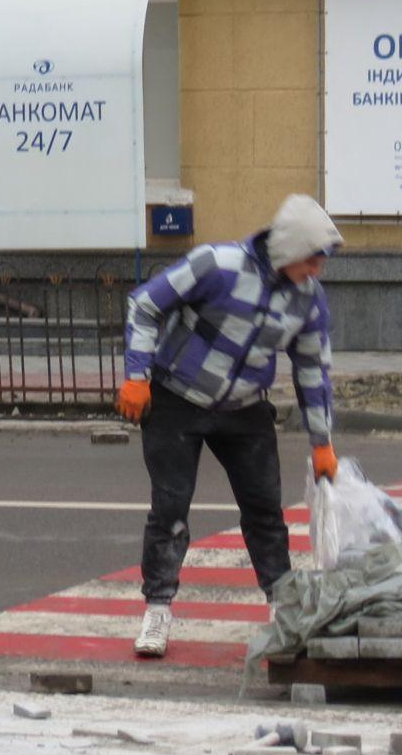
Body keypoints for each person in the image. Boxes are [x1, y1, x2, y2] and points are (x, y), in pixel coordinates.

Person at [117, 193, 343, 659]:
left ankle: (282, 607)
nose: (316, 272)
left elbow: (313, 369)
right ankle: (157, 610)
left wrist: (323, 442)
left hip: (244, 410)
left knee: (265, 512)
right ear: (290, 249)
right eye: (312, 260)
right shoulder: (216, 265)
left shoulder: (308, 300)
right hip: (177, 400)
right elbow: (144, 305)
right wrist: (136, 377)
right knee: (171, 511)